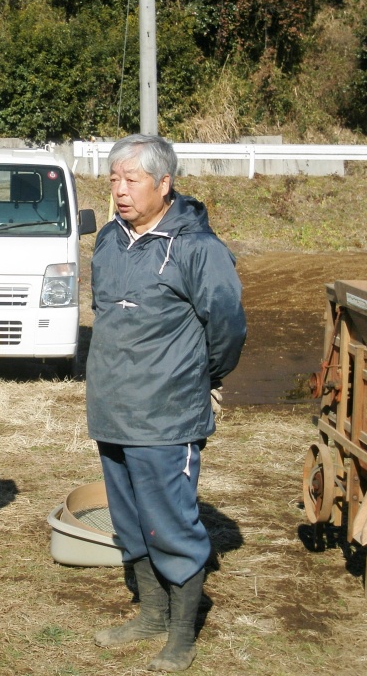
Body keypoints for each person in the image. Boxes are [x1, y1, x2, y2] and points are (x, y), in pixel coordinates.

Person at [86, 134, 246, 671]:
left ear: (164, 184)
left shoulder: (199, 248)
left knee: (169, 522)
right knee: (130, 521)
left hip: (166, 412)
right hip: (111, 408)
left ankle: (181, 632)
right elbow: (104, 312)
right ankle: (151, 613)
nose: (121, 191)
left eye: (132, 180)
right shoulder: (108, 240)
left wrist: (201, 378)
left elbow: (226, 327)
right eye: (114, 180)